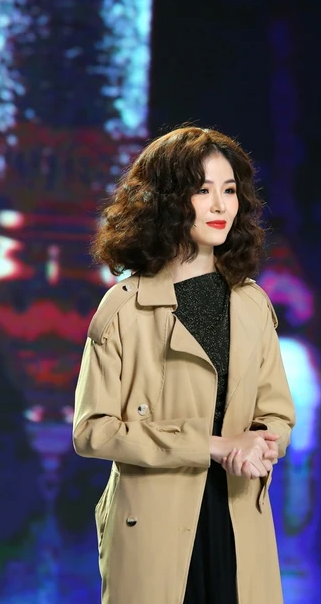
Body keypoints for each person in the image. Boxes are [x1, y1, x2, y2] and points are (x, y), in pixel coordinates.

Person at [72, 126, 296, 604]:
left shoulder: (252, 303)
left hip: (238, 515)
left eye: (229, 190)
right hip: (153, 523)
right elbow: (92, 431)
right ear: (167, 200)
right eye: (202, 189)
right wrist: (212, 446)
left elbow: (278, 414)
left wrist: (261, 443)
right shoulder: (124, 308)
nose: (220, 206)